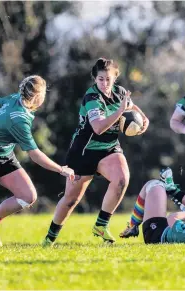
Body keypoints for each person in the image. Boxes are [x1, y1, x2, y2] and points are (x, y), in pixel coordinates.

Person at [0, 75, 75, 248]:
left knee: (28, 196)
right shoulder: (19, 119)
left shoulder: (15, 99)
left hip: (4, 154)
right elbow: (35, 155)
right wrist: (61, 169)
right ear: (37, 97)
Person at [42, 58, 150, 246]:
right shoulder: (92, 98)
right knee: (71, 200)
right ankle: (49, 239)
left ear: (115, 78)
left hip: (109, 148)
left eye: (108, 79)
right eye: (101, 79)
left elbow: (130, 106)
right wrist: (120, 112)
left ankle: (101, 224)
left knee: (122, 179)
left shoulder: (120, 93)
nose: (105, 83)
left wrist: (143, 118)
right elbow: (98, 127)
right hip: (84, 151)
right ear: (95, 79)